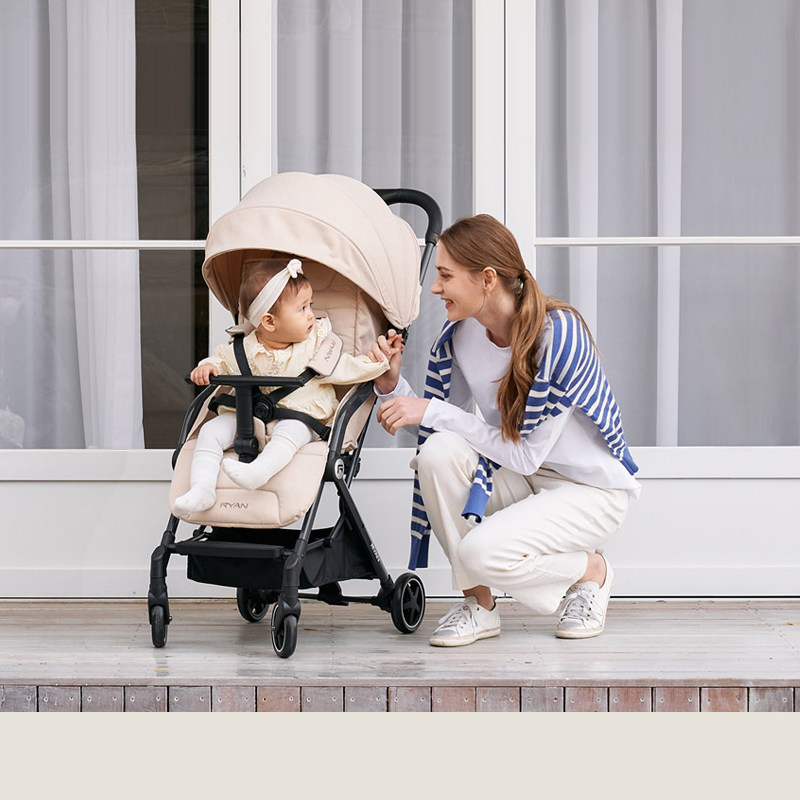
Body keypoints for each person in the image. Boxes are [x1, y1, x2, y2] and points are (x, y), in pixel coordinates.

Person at [369, 214, 640, 647]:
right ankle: (479, 606)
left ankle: (592, 571)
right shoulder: (462, 335)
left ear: (487, 278)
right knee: (437, 454)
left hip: (588, 491)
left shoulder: (558, 338)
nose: (435, 288)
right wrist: (391, 386)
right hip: (519, 477)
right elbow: (437, 421)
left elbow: (524, 454)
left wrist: (433, 411)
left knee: (479, 552)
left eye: (445, 275)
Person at [173, 256, 391, 516]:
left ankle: (258, 472)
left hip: (302, 416)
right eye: (302, 309)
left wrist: (376, 363)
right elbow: (221, 362)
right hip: (249, 417)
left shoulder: (316, 344)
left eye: (310, 305)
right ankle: (202, 488)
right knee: (210, 431)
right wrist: (207, 367)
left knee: (290, 433)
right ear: (269, 322)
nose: (311, 314)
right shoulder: (245, 348)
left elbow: (344, 367)